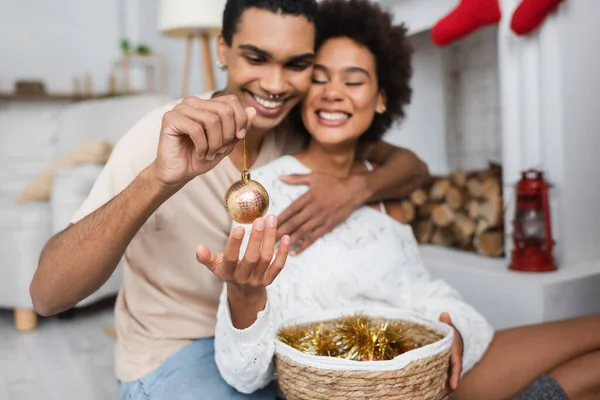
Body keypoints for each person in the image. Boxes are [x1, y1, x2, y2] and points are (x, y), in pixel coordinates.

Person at [197, 1, 600, 400]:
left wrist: (450, 324)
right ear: (303, 93)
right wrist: (244, 296)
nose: (334, 93)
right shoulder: (263, 192)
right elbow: (244, 374)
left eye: (353, 82)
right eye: (319, 79)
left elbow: (421, 291)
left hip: (426, 370)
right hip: (350, 388)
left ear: (381, 99)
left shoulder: (385, 192)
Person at [29, 0, 430, 399]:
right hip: (180, 350)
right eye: (256, 58)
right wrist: (158, 179)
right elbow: (47, 296)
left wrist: (352, 190)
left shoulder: (299, 124)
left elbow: (412, 167)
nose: (275, 84)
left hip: (274, 337)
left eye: (296, 65)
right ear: (223, 49)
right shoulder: (159, 135)